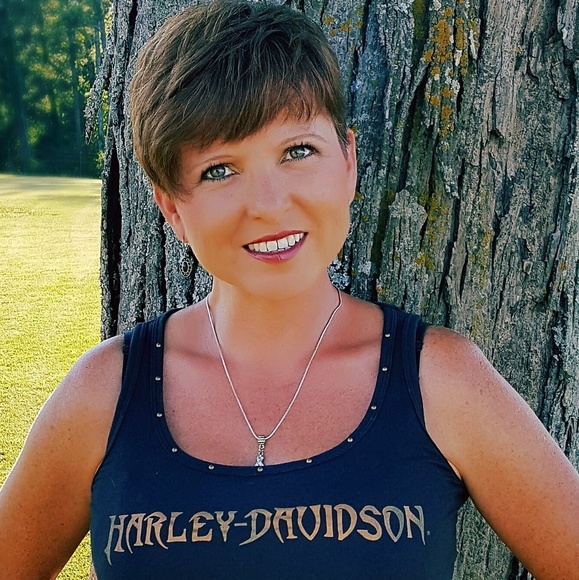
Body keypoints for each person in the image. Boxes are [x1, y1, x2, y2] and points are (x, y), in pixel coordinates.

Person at [1, 1, 578, 578]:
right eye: (220, 170)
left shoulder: (442, 382)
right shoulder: (104, 394)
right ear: (172, 207)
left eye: (298, 151)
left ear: (348, 162)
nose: (270, 204)